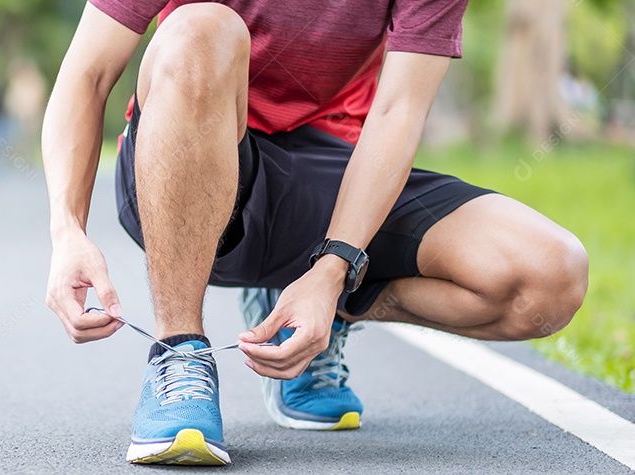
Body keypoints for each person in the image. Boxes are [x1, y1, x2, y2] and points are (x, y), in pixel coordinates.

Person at [41, 0, 589, 466]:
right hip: (187, 159)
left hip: (334, 177)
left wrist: (332, 272)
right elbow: (88, 74)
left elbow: (399, 111)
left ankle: (322, 307)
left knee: (549, 276)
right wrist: (67, 229)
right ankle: (178, 354)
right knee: (201, 29)